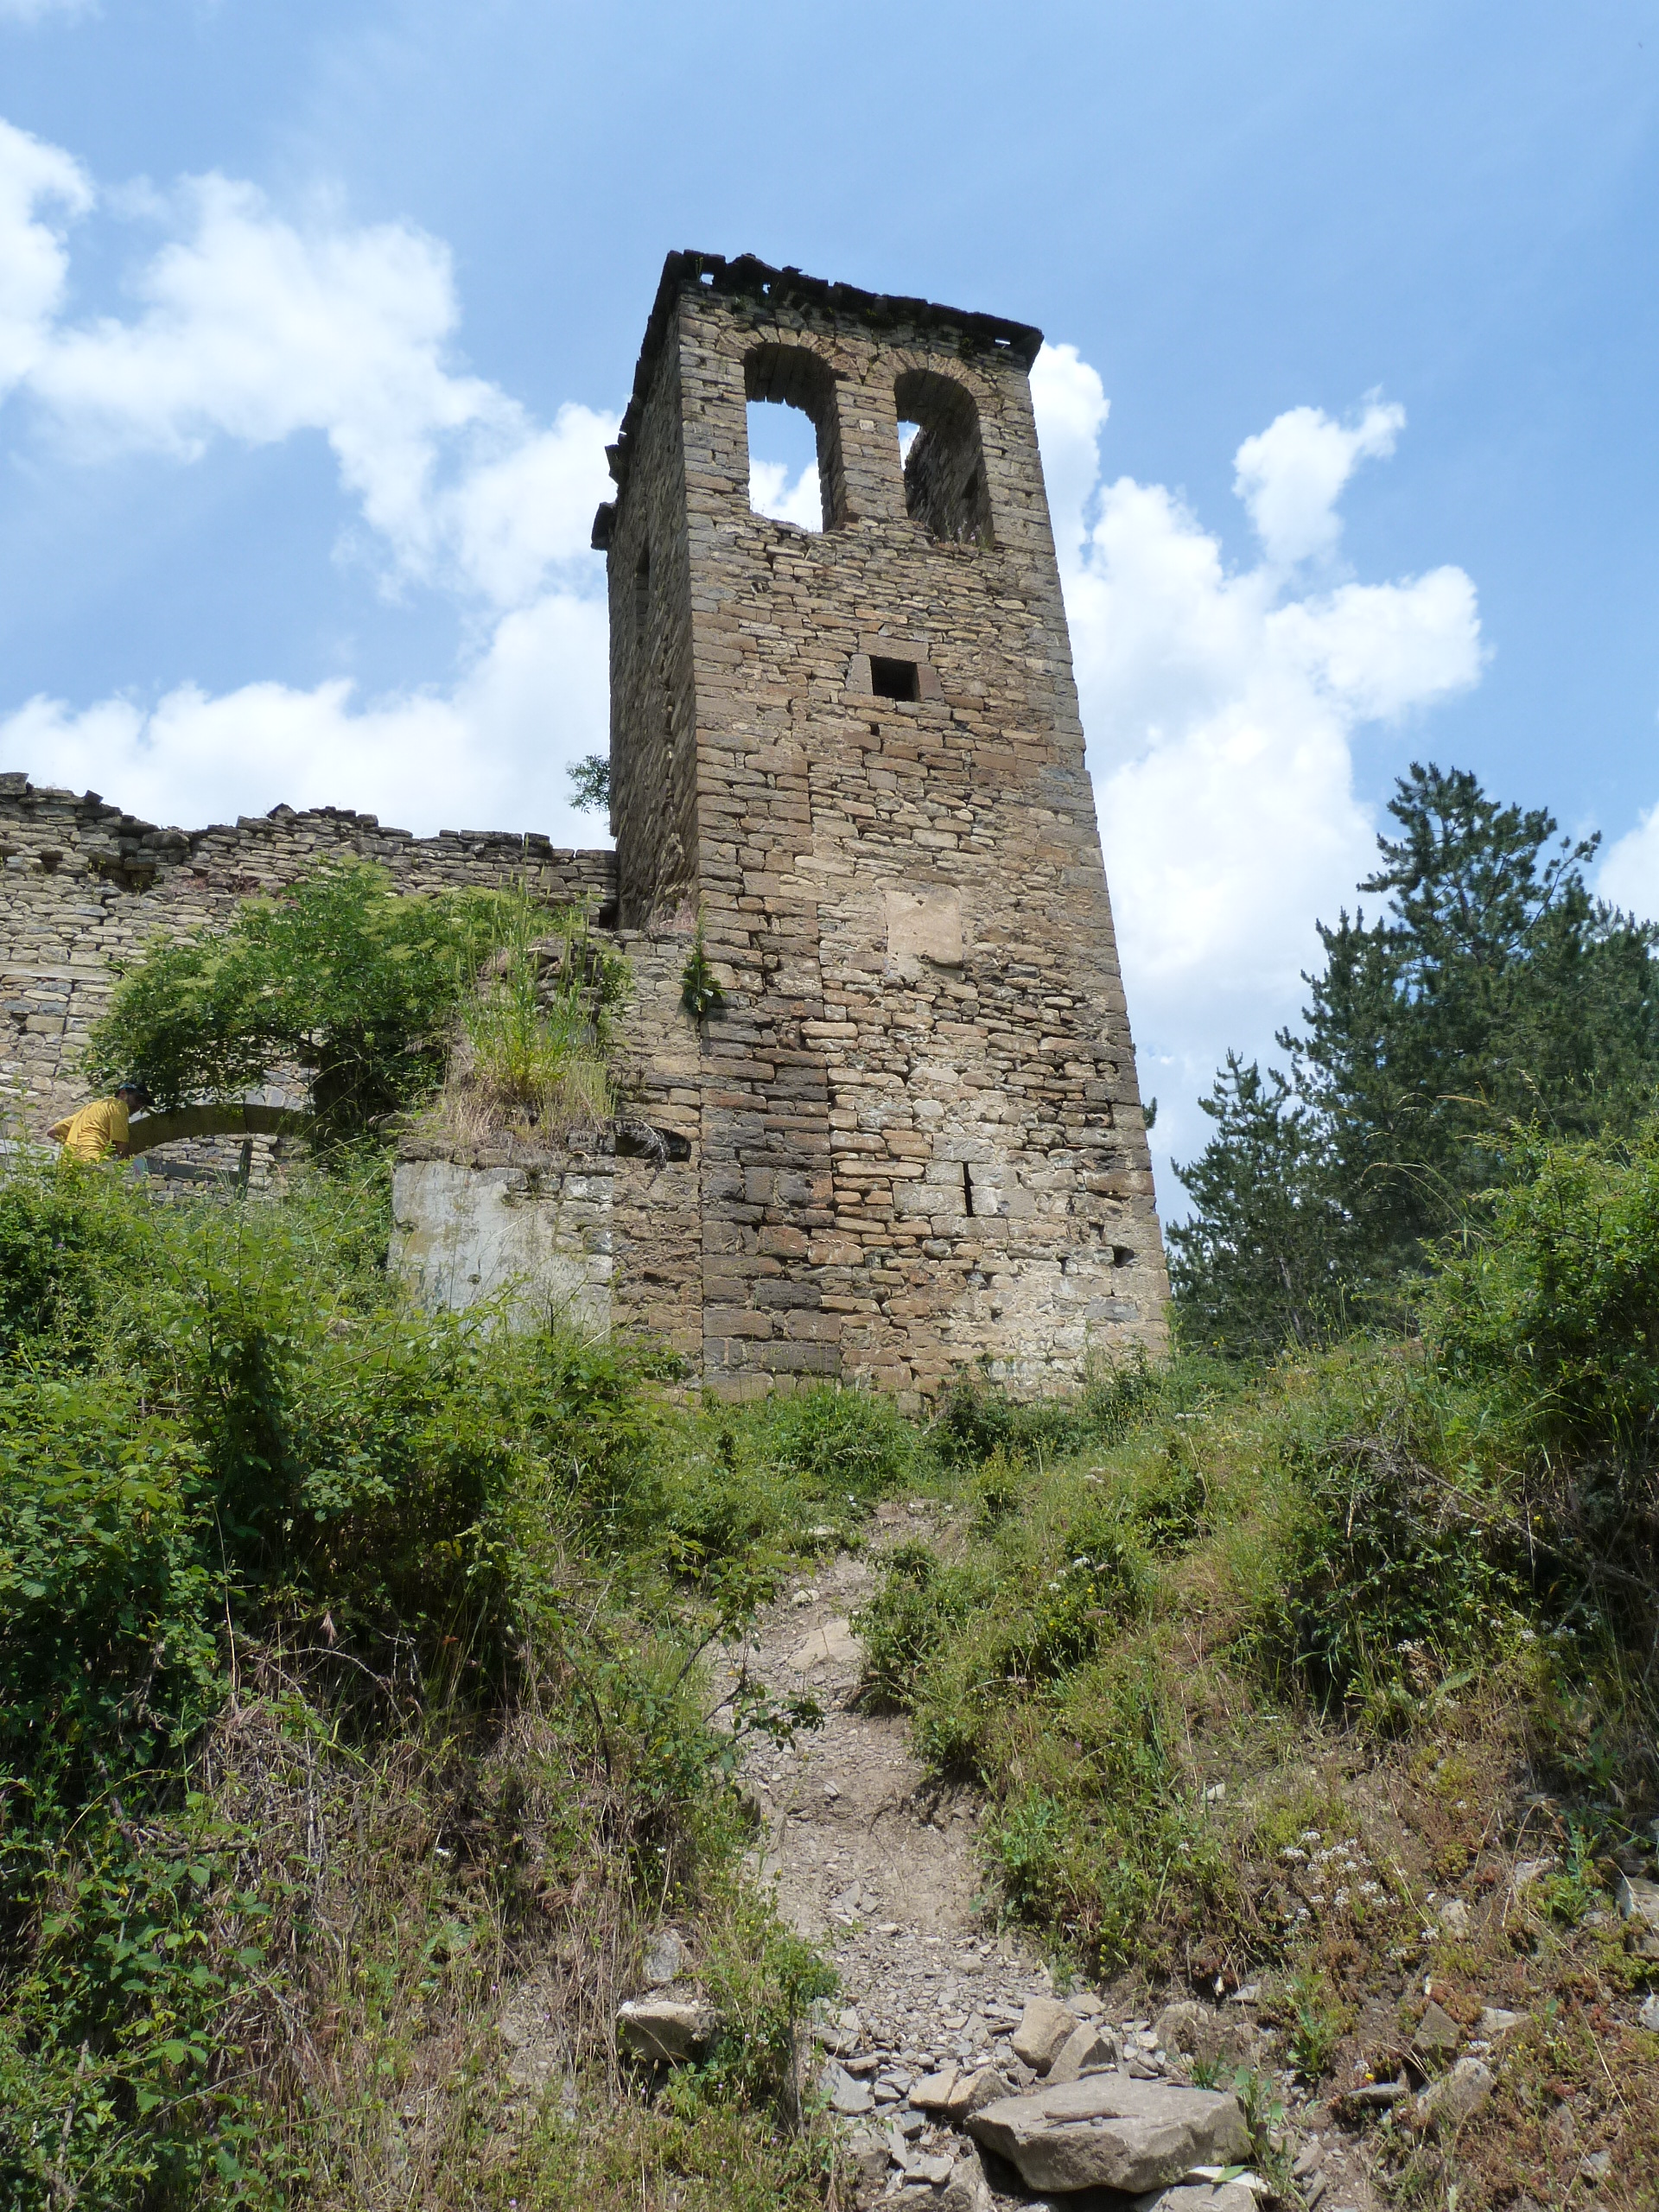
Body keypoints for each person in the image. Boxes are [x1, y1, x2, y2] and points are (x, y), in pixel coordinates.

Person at [47, 1081, 151, 1164]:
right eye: (138, 1099)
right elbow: (121, 1147)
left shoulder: (89, 1108)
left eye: (143, 1104)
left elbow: (53, 1131)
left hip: (67, 1162)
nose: (139, 1106)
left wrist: (77, 1150)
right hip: (92, 1160)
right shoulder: (119, 1105)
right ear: (123, 1093)